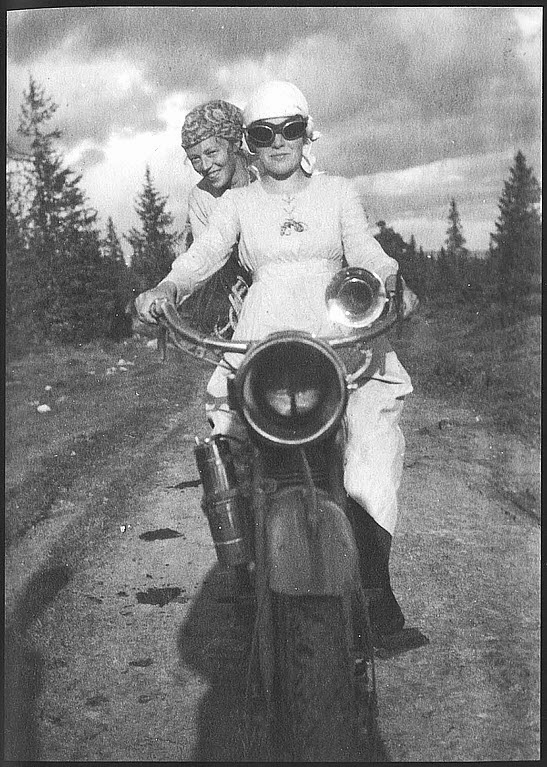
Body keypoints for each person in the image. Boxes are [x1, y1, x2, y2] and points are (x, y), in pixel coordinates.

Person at [136, 80, 428, 656]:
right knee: (231, 431)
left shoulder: (338, 192)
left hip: (335, 334)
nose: (278, 143)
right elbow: (203, 255)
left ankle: (374, 589)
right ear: (250, 140)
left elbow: (367, 252)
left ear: (306, 132)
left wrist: (394, 279)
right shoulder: (237, 204)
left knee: (370, 445)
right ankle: (247, 575)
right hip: (263, 336)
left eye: (290, 130)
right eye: (264, 133)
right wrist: (167, 287)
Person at [178, 99, 253, 337]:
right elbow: (207, 254)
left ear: (234, 144)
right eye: (195, 159)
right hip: (233, 298)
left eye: (211, 152)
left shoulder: (265, 176)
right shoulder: (201, 197)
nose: (205, 165)